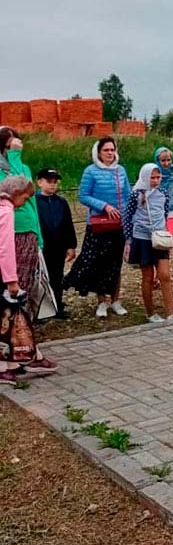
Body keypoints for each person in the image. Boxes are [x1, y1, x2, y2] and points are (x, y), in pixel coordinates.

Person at [63, 137, 131, 318]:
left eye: (112, 150)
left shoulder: (120, 171)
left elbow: (127, 195)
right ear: (98, 153)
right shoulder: (90, 171)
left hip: (118, 224)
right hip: (98, 224)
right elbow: (83, 195)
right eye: (106, 150)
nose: (110, 153)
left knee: (115, 264)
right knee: (99, 263)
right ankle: (101, 301)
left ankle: (116, 300)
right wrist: (104, 206)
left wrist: (127, 215)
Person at [0, 175, 57, 381]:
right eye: (24, 199)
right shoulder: (6, 211)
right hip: (6, 273)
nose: (24, 204)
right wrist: (11, 279)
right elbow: (5, 248)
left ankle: (12, 361)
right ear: (15, 194)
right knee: (7, 315)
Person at [123, 164, 173, 323]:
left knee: (165, 275)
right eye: (152, 177)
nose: (155, 180)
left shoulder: (163, 193)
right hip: (142, 238)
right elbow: (127, 216)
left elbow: (164, 213)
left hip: (159, 237)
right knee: (148, 276)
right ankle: (150, 312)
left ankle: (170, 312)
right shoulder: (136, 194)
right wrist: (129, 239)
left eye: (158, 177)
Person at [0, 128, 44, 300]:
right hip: (11, 231)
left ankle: (24, 320)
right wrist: (14, 156)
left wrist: (38, 234)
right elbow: (13, 189)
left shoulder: (23, 167)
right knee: (12, 283)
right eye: (10, 146)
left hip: (29, 228)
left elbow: (28, 196)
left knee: (28, 281)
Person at [35, 168, 77, 320]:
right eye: (48, 182)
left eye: (55, 182)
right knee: (39, 278)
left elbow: (68, 224)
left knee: (57, 277)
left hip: (58, 246)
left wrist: (71, 245)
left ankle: (57, 305)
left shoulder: (61, 202)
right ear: (39, 182)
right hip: (42, 246)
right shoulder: (34, 201)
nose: (52, 185)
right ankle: (39, 310)